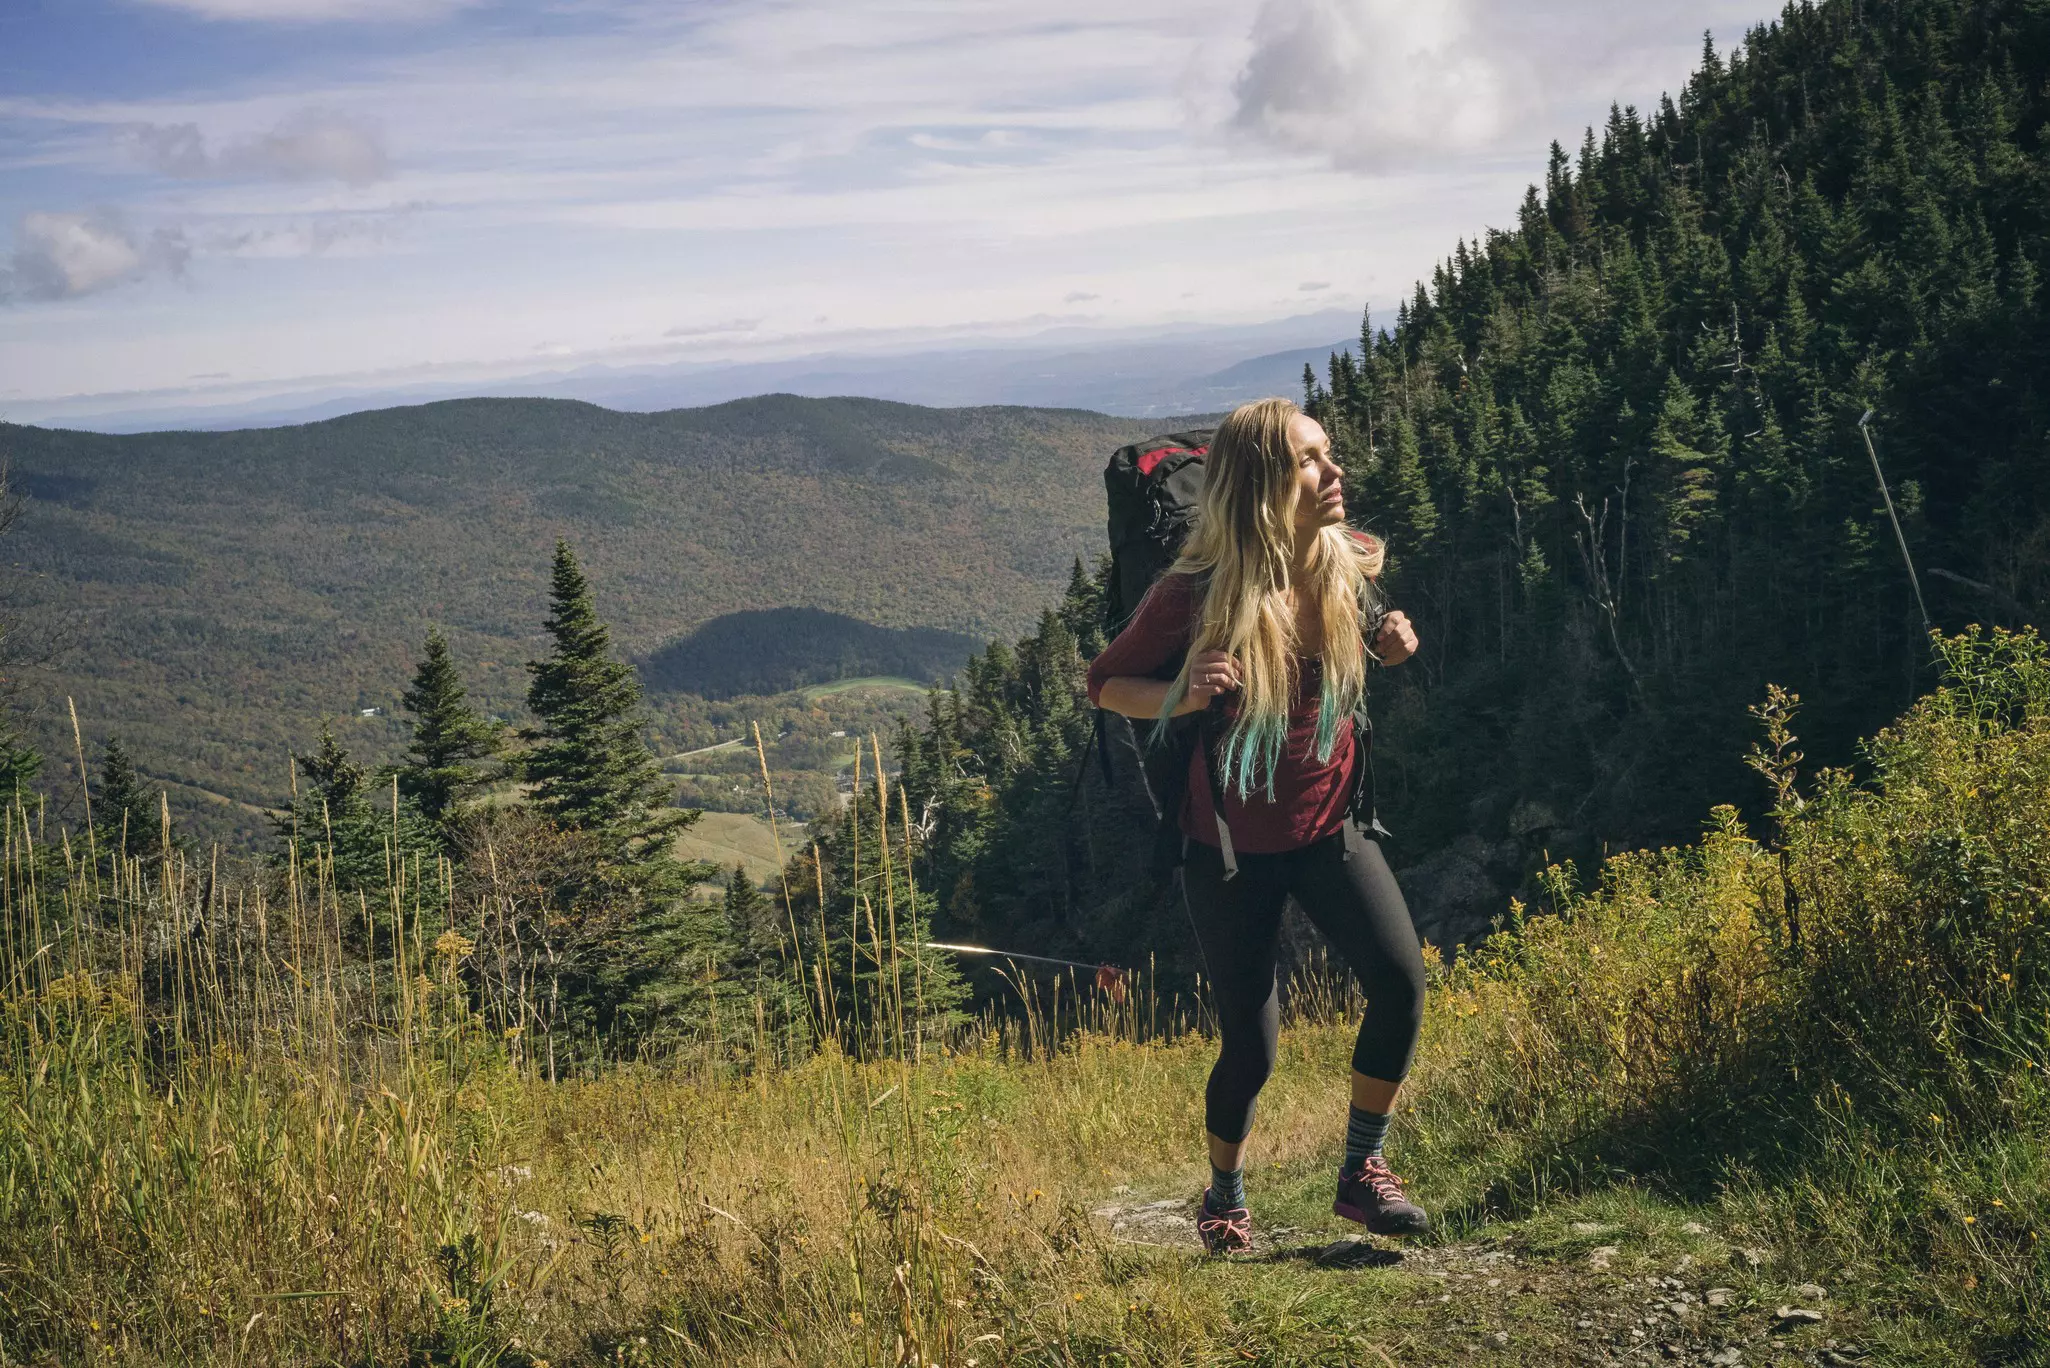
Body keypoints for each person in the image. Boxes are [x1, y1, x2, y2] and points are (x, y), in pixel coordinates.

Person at [1085, 396, 1427, 1256]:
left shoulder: (1350, 561)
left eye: (1329, 453)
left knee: (1400, 984)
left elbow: (1365, 643)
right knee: (1252, 1047)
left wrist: (1387, 644)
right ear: (1262, 485)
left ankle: (1362, 1173)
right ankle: (1226, 1194)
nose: (1334, 471)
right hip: (1230, 850)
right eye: (1310, 460)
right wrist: (1183, 695)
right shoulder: (1193, 595)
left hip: (1329, 826)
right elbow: (1104, 685)